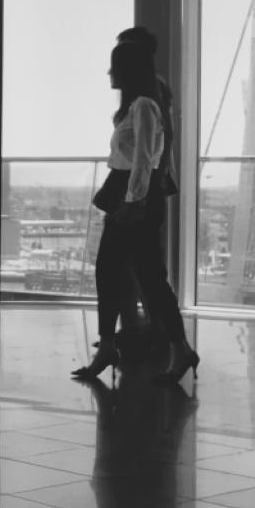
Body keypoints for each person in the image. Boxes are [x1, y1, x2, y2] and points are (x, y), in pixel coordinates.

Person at [74, 42, 198, 384]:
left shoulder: (144, 106)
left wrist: (132, 202)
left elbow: (145, 159)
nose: (110, 73)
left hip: (133, 195)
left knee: (138, 275)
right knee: (130, 273)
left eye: (115, 66)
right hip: (129, 192)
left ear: (128, 71)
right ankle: (164, 347)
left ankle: (165, 347)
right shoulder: (138, 106)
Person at [106, 26, 175, 347]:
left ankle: (146, 329)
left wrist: (143, 191)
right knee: (134, 266)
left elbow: (155, 145)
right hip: (135, 181)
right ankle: (137, 329)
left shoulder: (148, 94)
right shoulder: (142, 93)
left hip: (139, 185)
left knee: (139, 267)